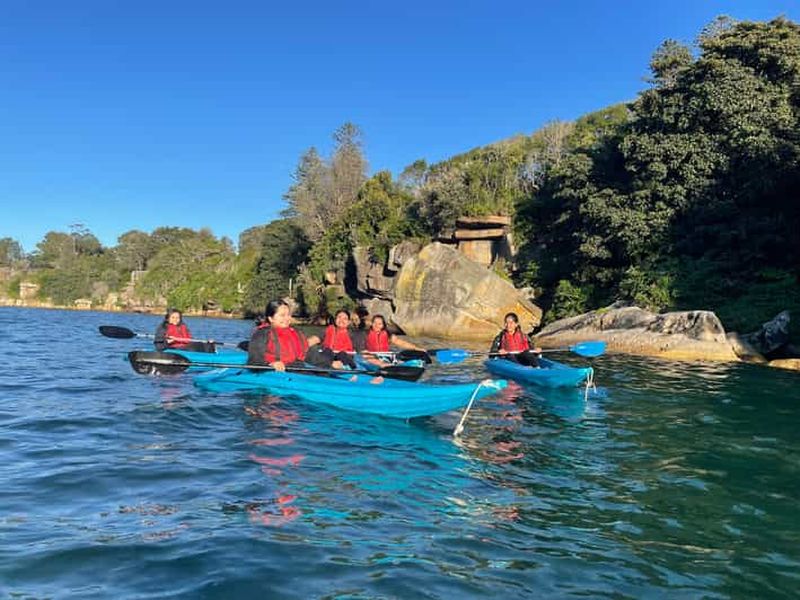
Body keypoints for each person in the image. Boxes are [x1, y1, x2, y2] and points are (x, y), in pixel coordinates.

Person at [248, 299, 327, 370]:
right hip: (280, 372)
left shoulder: (296, 331)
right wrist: (271, 364)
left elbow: (306, 351)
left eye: (288, 315)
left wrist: (328, 364)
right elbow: (254, 360)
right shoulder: (262, 334)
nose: (287, 318)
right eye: (282, 315)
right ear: (270, 318)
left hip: (298, 367)